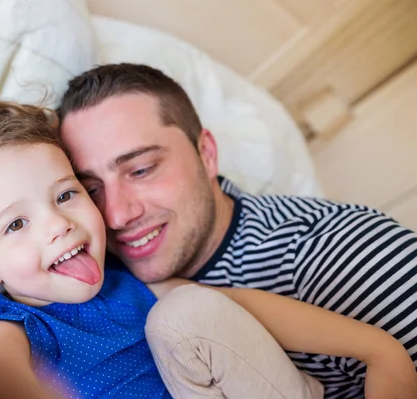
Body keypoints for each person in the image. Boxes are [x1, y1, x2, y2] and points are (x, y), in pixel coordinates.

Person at [0, 100, 414, 399]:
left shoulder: (129, 286)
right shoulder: (9, 324)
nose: (57, 225)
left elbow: (243, 306)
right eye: (15, 225)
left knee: (188, 310)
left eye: (66, 194)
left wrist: (379, 350)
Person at [57, 62, 417, 398]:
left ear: (207, 154)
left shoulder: (335, 252)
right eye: (90, 190)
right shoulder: (89, 284)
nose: (117, 215)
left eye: (141, 170)